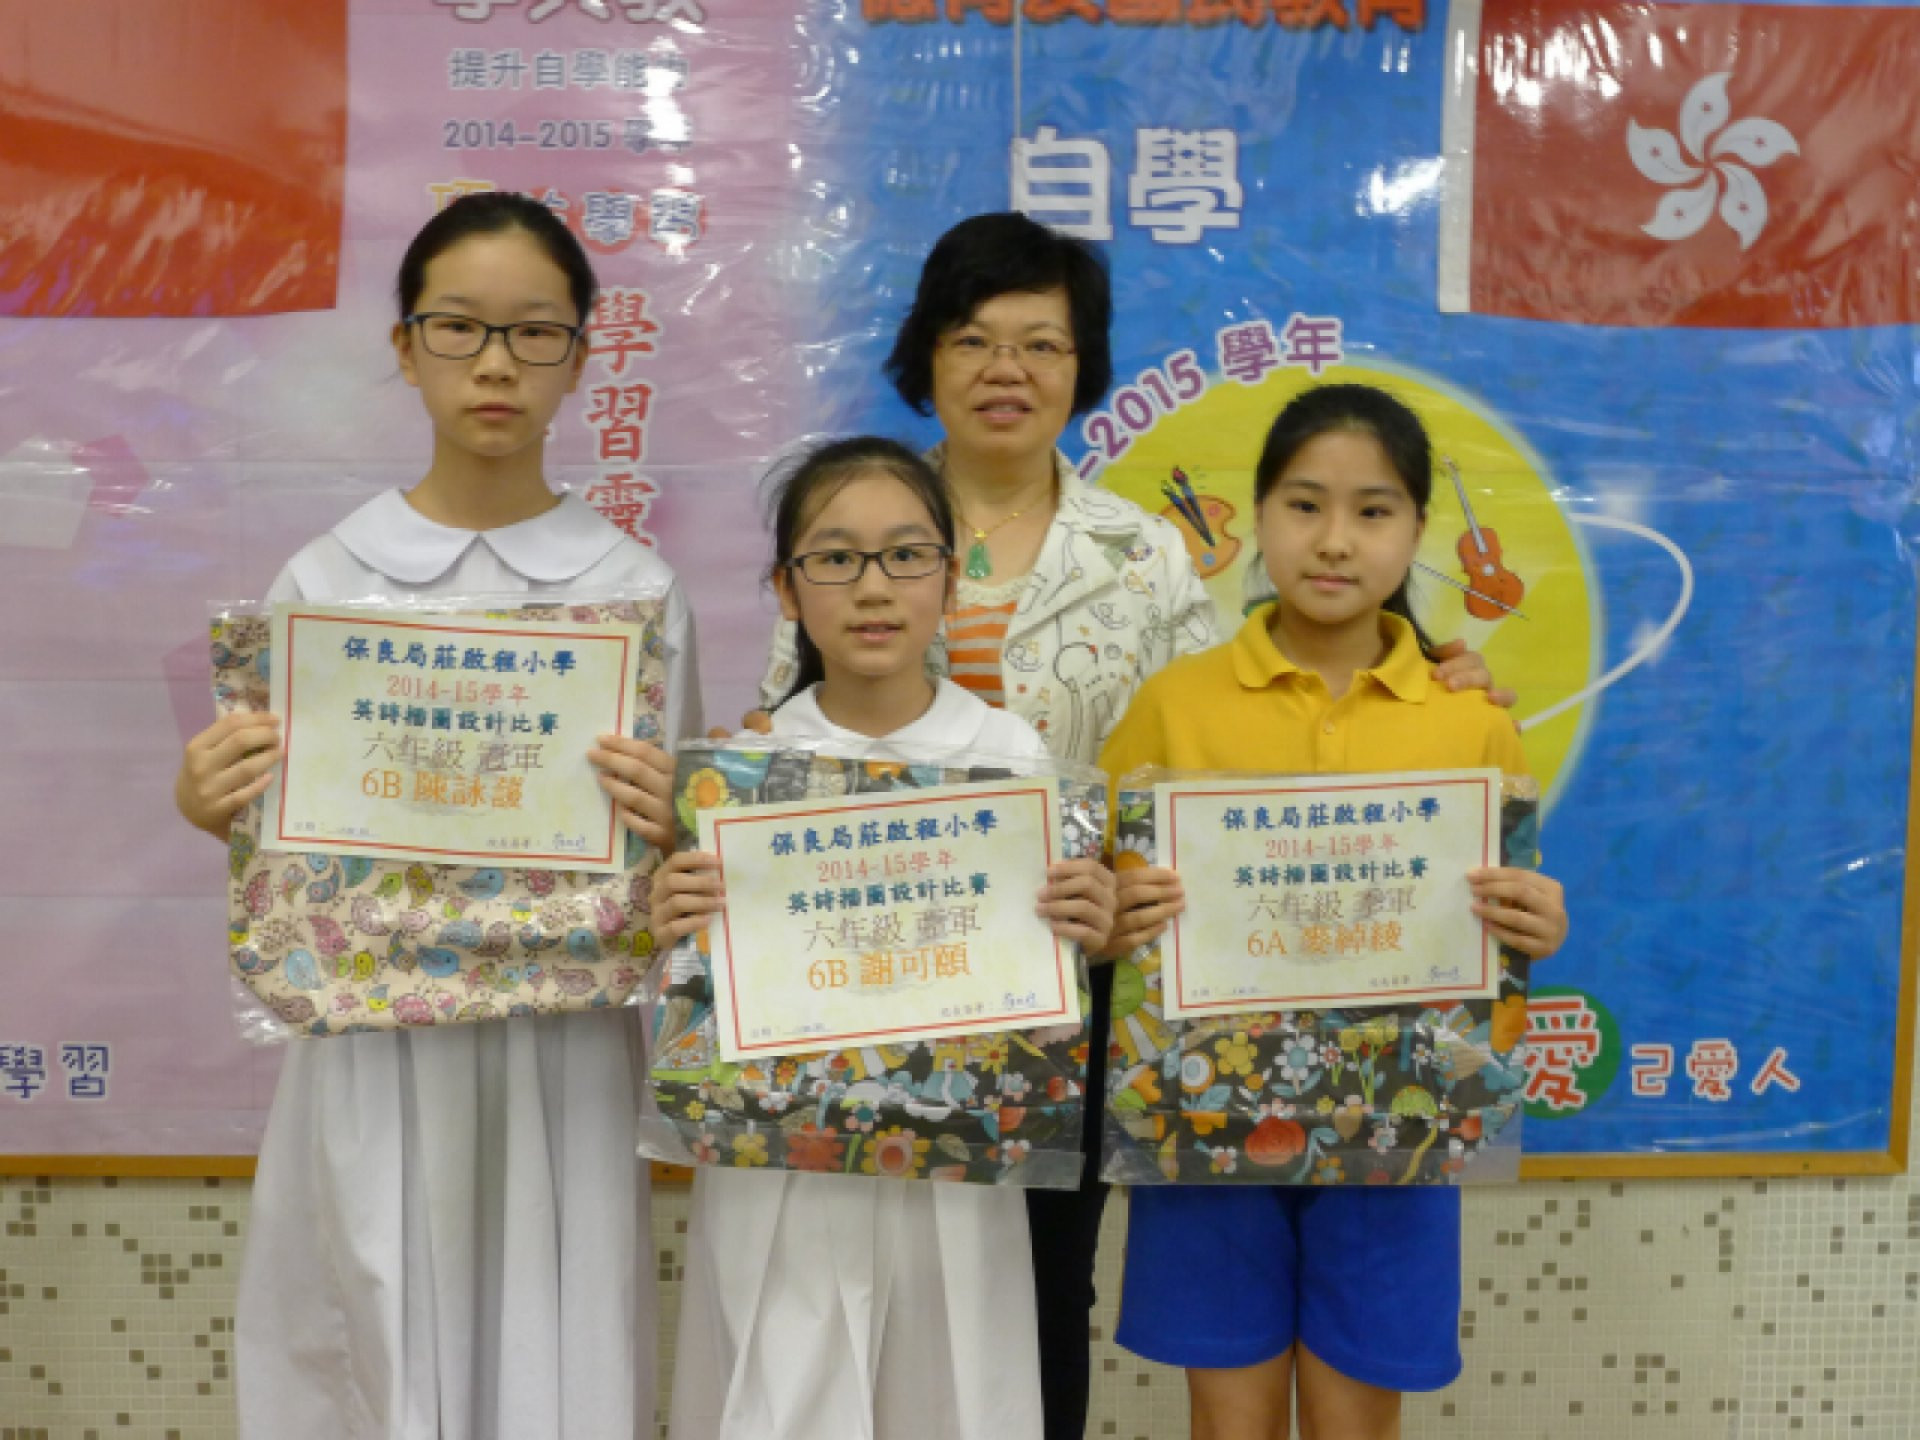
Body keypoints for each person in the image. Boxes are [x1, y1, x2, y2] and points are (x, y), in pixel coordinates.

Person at [752, 212, 1506, 1439]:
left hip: (1082, 982)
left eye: (1042, 343)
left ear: (1082, 365)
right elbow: (786, 735)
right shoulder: (859, 517)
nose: (1006, 369)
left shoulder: (1143, 555)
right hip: (873, 973)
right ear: (926, 355)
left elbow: (1225, 762)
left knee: (1044, 1282)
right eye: (973, 338)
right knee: (853, 1279)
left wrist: (1430, 673)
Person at [172, 191, 700, 1440]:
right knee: (372, 1315)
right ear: (406, 349)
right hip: (370, 1031)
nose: (496, 364)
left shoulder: (634, 591)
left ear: (580, 356)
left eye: (535, 332)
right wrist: (210, 803)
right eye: (459, 327)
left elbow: (668, 836)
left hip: (562, 1039)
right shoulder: (325, 581)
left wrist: (676, 822)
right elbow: (281, 833)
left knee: (556, 1323)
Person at [1097, 384, 1567, 1440]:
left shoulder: (1471, 723)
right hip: (1206, 1121)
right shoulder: (1175, 704)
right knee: (1231, 1425)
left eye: (1373, 510)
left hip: (1396, 1121)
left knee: (1357, 1424)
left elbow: (1500, 926)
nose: (1336, 540)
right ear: (1262, 515)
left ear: (1417, 530)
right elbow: (1105, 909)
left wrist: (1533, 928)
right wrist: (1117, 919)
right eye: (1305, 504)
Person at [645, 436, 1119, 1440]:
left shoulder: (1011, 759)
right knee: (784, 1389)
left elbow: (1049, 1001)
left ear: (951, 579)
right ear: (787, 589)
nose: (873, 587)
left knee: (950, 1387)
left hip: (957, 1166)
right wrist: (675, 926)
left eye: (906, 554)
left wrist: (1087, 928)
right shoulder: (744, 773)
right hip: (783, 1171)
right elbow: (695, 1005)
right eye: (835, 557)